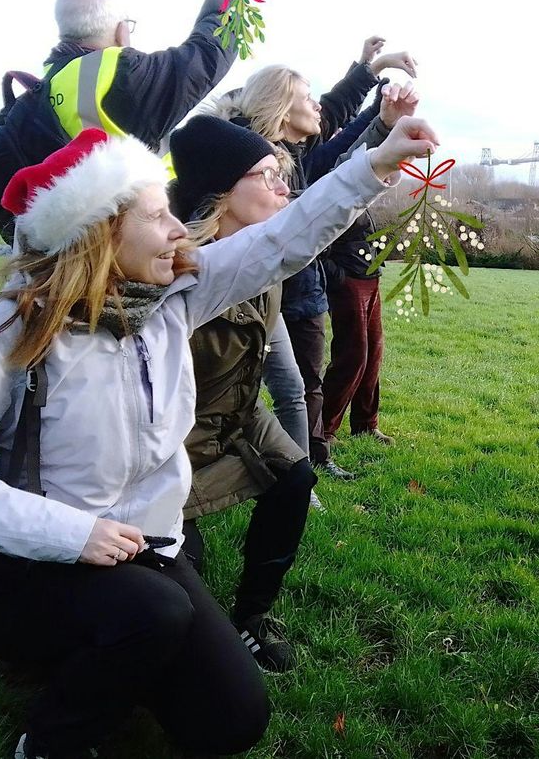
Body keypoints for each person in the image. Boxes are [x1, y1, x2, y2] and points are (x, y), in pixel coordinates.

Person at [0, 116, 436, 758]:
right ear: (98, 232)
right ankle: (49, 741)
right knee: (151, 614)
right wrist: (75, 534)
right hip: (34, 561)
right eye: (158, 216)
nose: (180, 228)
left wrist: (374, 165)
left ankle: (120, 652)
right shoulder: (8, 330)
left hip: (146, 548)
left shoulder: (173, 297)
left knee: (230, 722)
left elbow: (282, 241)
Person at [213, 40, 417, 478]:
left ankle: (306, 470)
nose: (318, 106)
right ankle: (271, 469)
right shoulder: (249, 156)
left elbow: (342, 153)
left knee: (296, 388)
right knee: (263, 389)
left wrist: (382, 125)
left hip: (296, 287)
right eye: (307, 98)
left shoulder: (297, 154)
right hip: (255, 290)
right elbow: (332, 155)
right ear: (284, 107)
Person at [168, 115, 321, 672]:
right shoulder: (175, 271)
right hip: (169, 439)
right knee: (178, 591)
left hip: (237, 412)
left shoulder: (262, 257)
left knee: (295, 477)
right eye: (266, 174)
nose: (284, 188)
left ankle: (253, 618)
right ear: (221, 193)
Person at [320, 81, 421, 454]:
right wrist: (335, 271)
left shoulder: (341, 155)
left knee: (373, 350)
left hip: (368, 272)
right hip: (346, 273)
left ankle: (365, 425)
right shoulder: (324, 162)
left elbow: (366, 147)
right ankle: (324, 432)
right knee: (353, 353)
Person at [45, 0, 237, 150]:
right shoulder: (124, 73)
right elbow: (206, 56)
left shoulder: (44, 86)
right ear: (122, 31)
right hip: (140, 188)